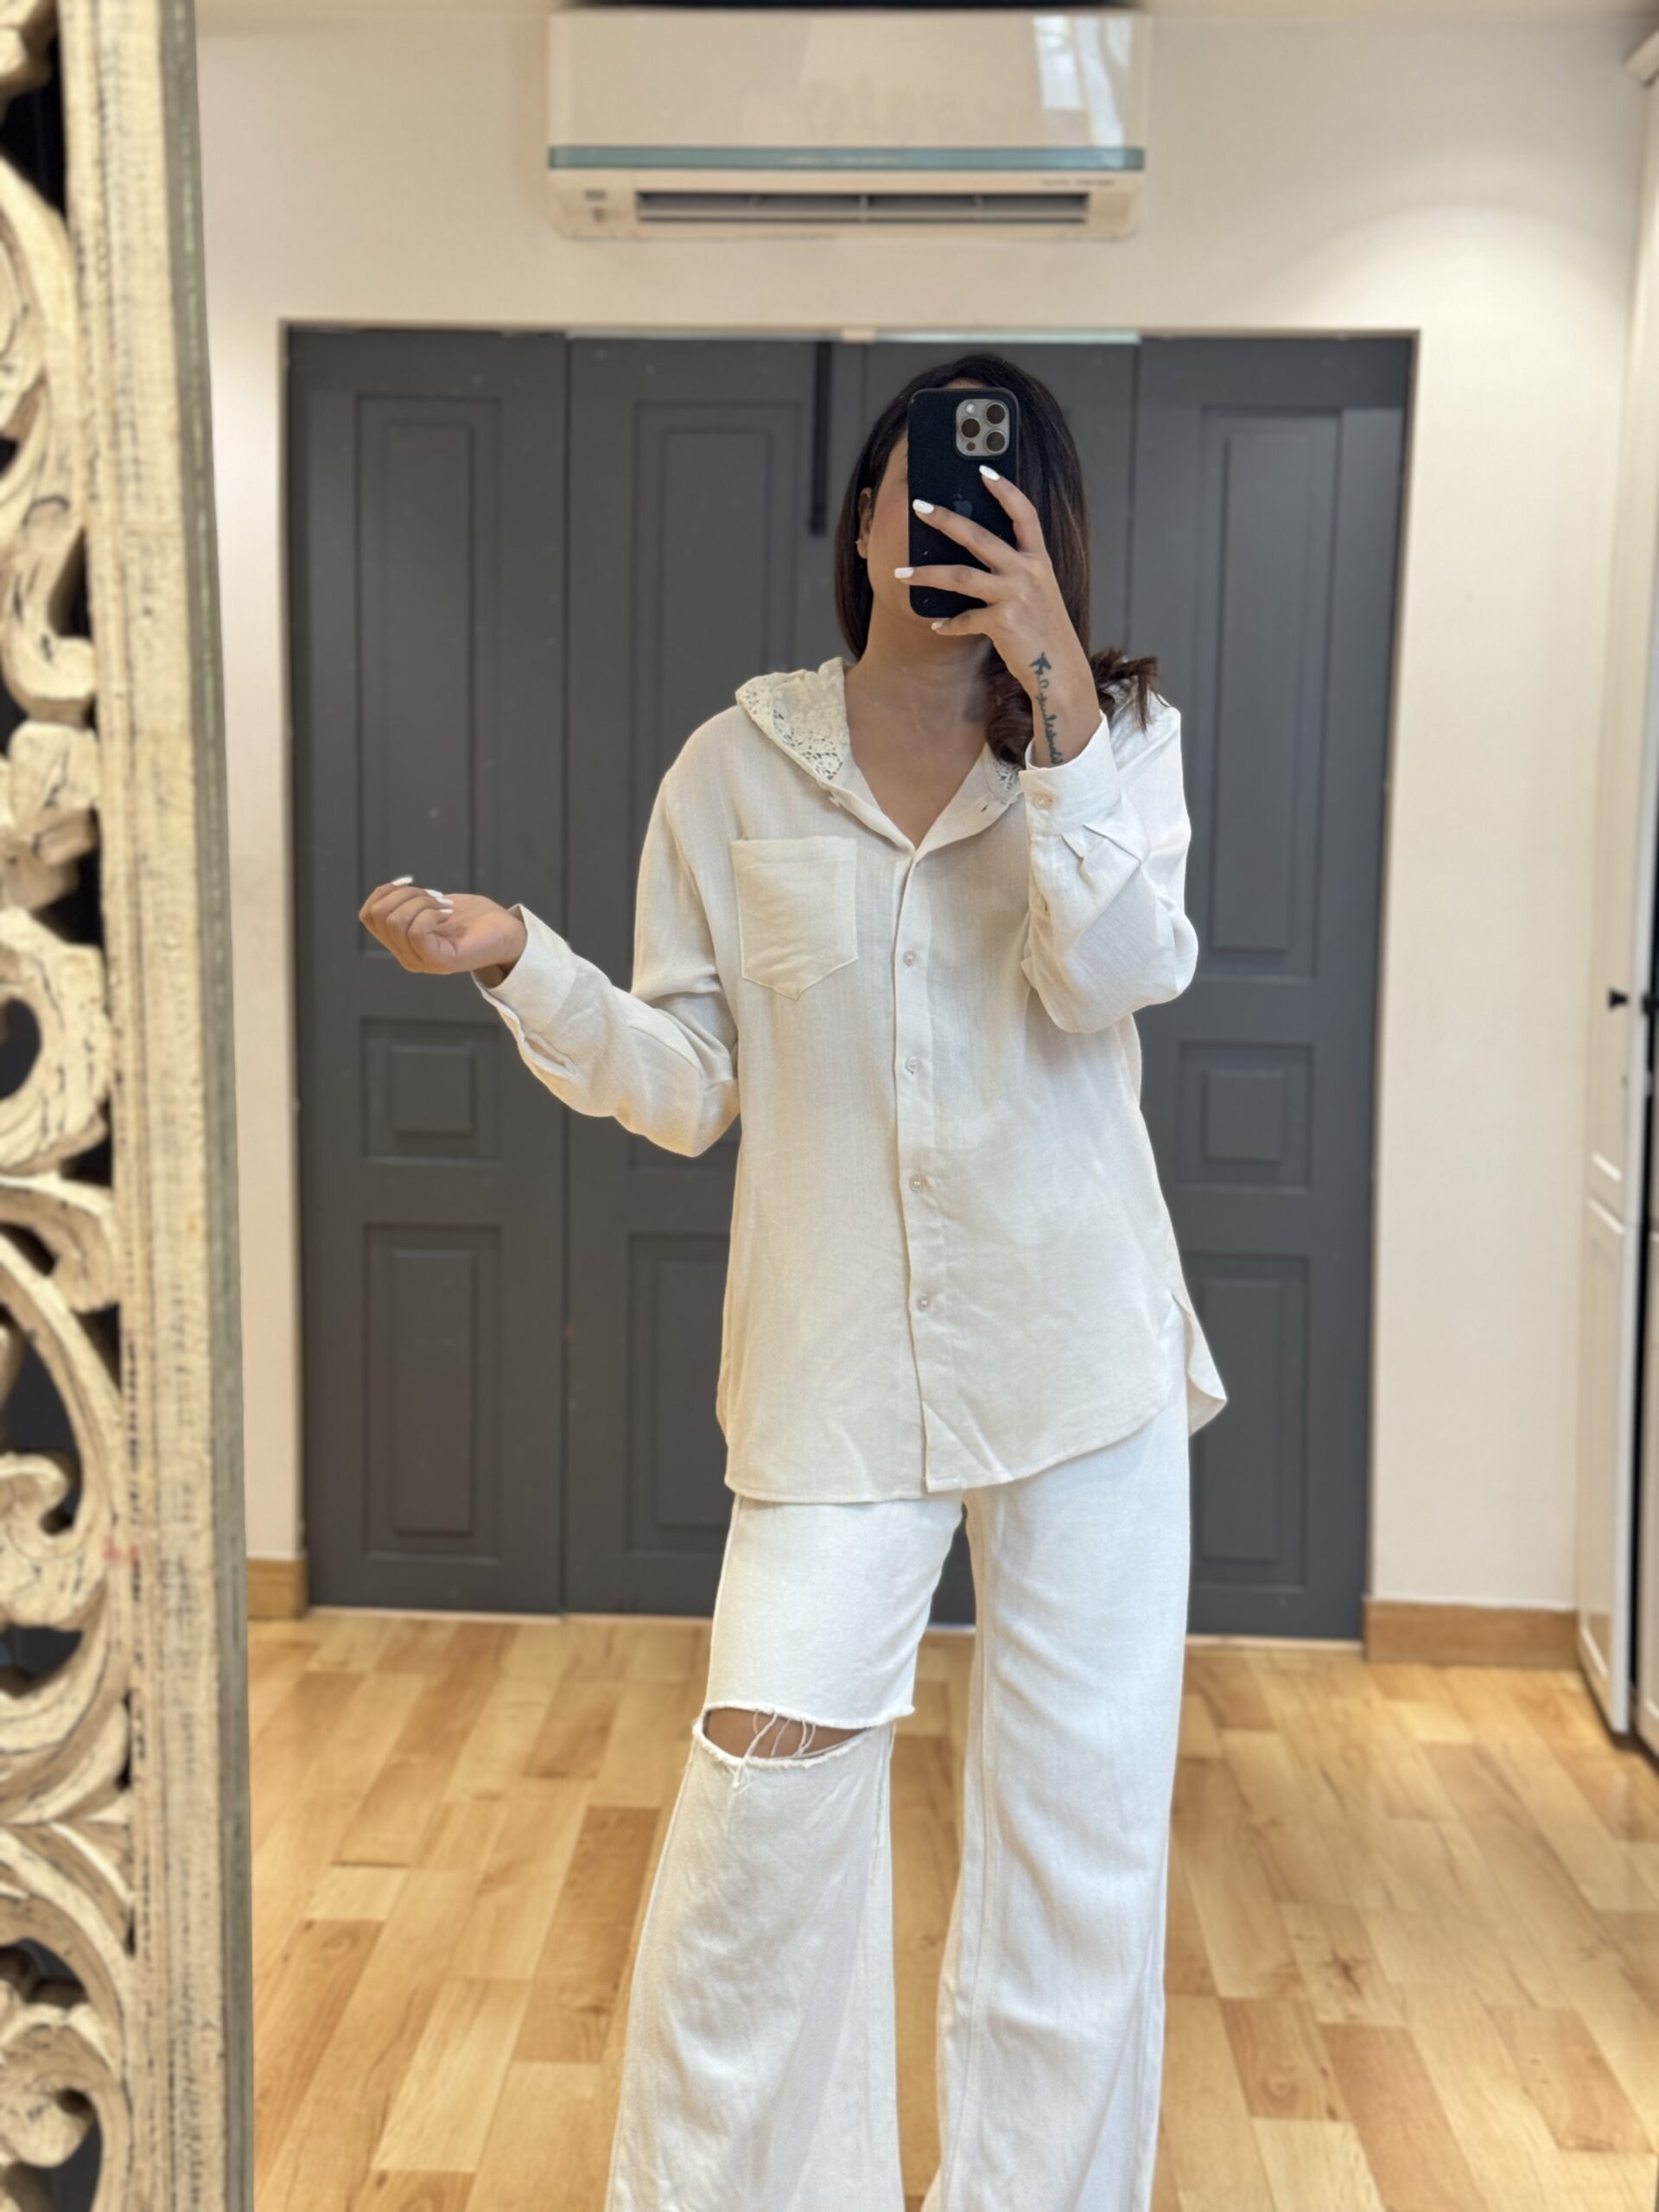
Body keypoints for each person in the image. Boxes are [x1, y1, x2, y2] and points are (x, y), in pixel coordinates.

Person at [359, 349, 1227, 2212]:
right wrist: (524, 962)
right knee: (757, 1818)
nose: (944, 520)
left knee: (1078, 1856)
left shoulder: (1117, 740)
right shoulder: (733, 766)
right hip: (835, 1382)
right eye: (915, 487)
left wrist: (1059, 693)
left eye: (990, 494)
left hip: (1085, 1365)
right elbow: (690, 1087)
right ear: (860, 517)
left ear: (1049, 530)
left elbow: (1115, 973)